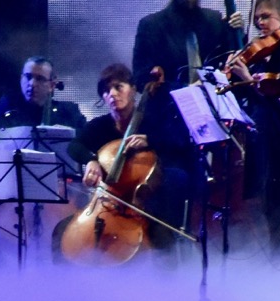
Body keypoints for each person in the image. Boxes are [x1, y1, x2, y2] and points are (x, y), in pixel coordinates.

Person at [64, 63, 196, 255]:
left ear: (133, 90)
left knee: (171, 191)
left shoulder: (151, 122)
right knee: (62, 233)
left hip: (148, 203)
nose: (112, 94)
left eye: (118, 87)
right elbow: (74, 146)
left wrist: (150, 140)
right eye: (106, 91)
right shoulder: (100, 126)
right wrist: (91, 160)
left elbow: (179, 142)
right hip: (106, 203)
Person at [224, 0, 280, 256]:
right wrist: (232, 78)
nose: (260, 23)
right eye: (257, 18)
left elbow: (278, 103)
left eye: (266, 17)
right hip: (265, 146)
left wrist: (248, 78)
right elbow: (249, 98)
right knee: (270, 214)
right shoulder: (261, 53)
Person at [0, 56, 85, 132]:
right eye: (28, 77)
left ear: (51, 85)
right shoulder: (8, 105)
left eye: (40, 79)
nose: (32, 84)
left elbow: (85, 141)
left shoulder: (68, 111)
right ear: (21, 79)